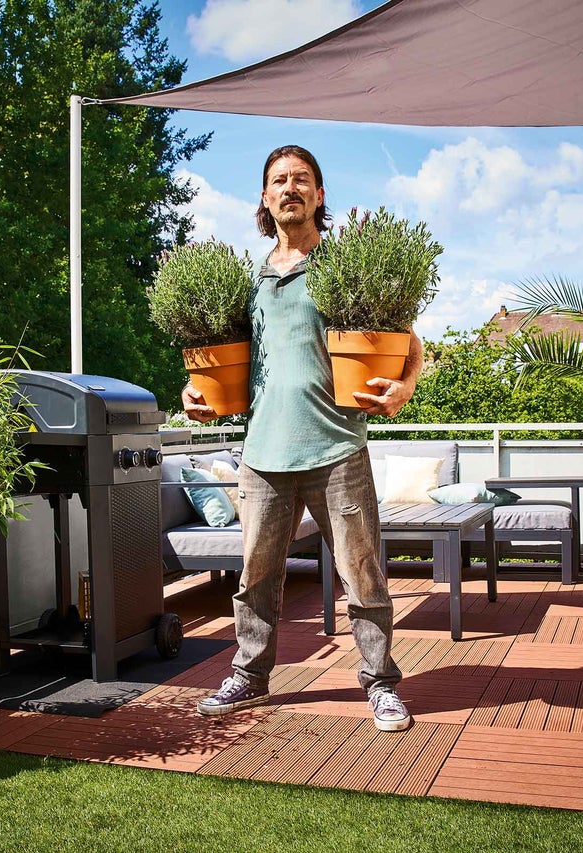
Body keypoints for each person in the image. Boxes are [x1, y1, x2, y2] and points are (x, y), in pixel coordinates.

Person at [183, 145, 423, 732]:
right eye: (279, 181)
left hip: (337, 449)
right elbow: (225, 365)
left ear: (319, 195)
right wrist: (192, 397)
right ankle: (250, 674)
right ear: (265, 199)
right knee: (256, 576)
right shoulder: (249, 284)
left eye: (302, 180)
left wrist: (403, 388)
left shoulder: (345, 271)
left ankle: (381, 683)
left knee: (361, 570)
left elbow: (412, 345)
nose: (290, 189)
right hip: (262, 456)